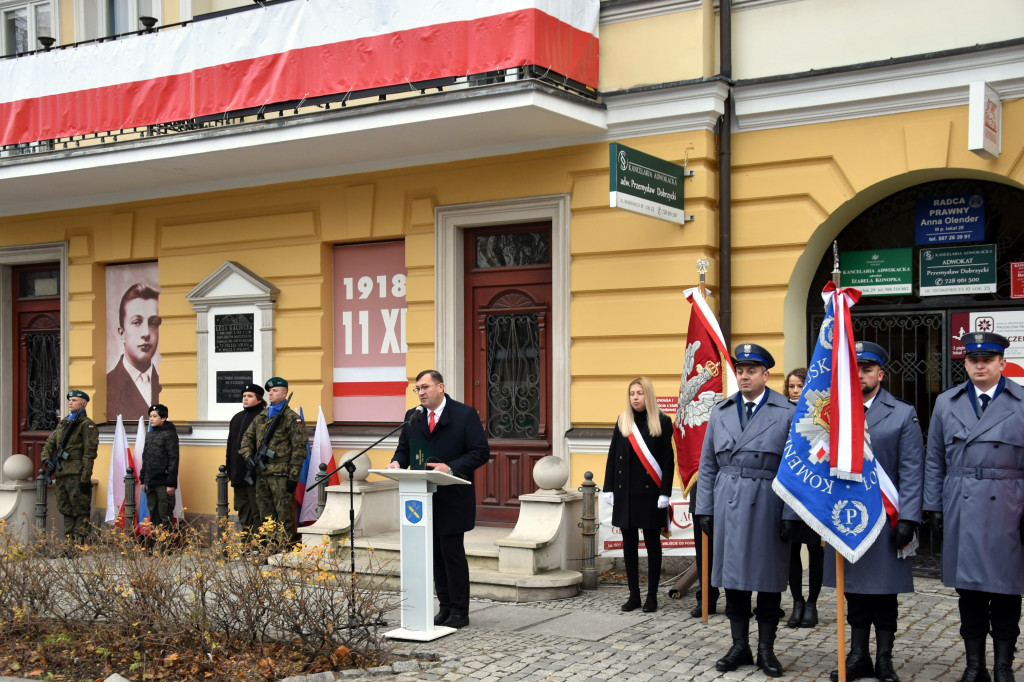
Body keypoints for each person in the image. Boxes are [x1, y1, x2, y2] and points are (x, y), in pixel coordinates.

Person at [924, 332, 1024, 682]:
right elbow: (934, 458)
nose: (979, 365)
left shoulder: (1021, 401)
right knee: (970, 591)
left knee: (1008, 589)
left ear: (1001, 363)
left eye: (987, 360)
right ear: (965, 364)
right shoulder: (946, 403)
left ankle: (1003, 667)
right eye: (973, 360)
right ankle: (974, 666)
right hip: (961, 504)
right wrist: (933, 505)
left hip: (1009, 505)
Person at [824, 342, 924, 682]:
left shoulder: (900, 412)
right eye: (855, 369)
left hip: (885, 518)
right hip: (845, 516)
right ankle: (856, 656)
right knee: (852, 590)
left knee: (884, 592)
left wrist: (909, 517)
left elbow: (912, 469)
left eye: (867, 369)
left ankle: (883, 658)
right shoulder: (831, 411)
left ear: (881, 374)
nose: (861, 375)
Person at [695, 344, 795, 678]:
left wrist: (791, 514)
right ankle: (740, 645)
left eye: (751, 370)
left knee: (768, 578)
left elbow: (796, 467)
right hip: (728, 501)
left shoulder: (786, 411)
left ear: (766, 375)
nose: (744, 376)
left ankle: (766, 649)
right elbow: (708, 464)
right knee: (733, 579)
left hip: (769, 499)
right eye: (740, 370)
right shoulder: (721, 411)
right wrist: (704, 507)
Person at [387, 370, 489, 629]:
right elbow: (404, 449)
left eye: (425, 387)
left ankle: (460, 611)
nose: (420, 392)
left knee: (451, 554)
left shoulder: (465, 414)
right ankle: (444, 608)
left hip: (453, 496)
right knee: (434, 556)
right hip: (422, 500)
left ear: (441, 387)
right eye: (417, 389)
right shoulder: (413, 417)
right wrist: (398, 462)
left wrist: (450, 467)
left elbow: (480, 452)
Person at [603, 377, 675, 613]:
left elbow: (667, 460)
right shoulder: (623, 420)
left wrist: (665, 492)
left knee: (653, 545)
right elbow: (613, 455)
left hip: (651, 495)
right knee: (629, 545)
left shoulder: (662, 421)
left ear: (649, 395)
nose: (635, 397)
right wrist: (608, 487)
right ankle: (633, 595)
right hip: (625, 494)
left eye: (640, 393)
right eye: (632, 393)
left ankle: (651, 596)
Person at [781, 367, 823, 629]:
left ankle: (812, 604)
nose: (795, 391)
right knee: (791, 551)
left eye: (800, 386)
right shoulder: (780, 412)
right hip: (788, 492)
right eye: (791, 386)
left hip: (814, 493)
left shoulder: (819, 412)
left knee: (815, 552)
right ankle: (796, 601)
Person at [239, 377, 306, 536]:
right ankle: (269, 549)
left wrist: (293, 477)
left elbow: (299, 448)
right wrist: (249, 457)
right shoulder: (262, 416)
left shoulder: (291, 418)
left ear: (284, 394)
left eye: (275, 390)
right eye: (269, 390)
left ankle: (283, 551)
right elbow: (247, 438)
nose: (270, 393)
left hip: (281, 475)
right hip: (262, 474)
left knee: (283, 516)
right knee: (265, 516)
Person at [40, 390, 98, 543]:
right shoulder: (64, 423)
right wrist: (46, 460)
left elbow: (89, 453)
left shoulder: (87, 425)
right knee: (65, 509)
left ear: (84, 403)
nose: (70, 402)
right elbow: (49, 444)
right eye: (69, 400)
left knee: (80, 510)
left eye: (74, 400)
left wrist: (85, 478)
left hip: (77, 474)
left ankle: (79, 545)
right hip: (61, 474)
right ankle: (68, 544)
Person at [107, 283, 161, 420]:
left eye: (153, 323)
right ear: (122, 333)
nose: (146, 333)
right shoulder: (107, 386)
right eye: (137, 322)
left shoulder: (167, 384)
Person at [226, 383, 266, 541]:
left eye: (250, 396)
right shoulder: (237, 417)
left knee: (257, 510)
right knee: (243, 509)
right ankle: (245, 542)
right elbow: (230, 445)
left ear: (259, 398)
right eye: (244, 396)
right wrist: (230, 469)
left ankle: (258, 544)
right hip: (238, 472)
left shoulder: (263, 416)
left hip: (255, 472)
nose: (246, 399)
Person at [139, 403, 179, 533]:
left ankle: (165, 546)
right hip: (151, 481)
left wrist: (171, 483)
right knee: (154, 514)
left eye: (155, 416)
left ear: (163, 418)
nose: (151, 419)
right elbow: (145, 457)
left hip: (163, 482)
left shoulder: (169, 434)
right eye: (150, 416)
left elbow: (173, 459)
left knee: (165, 514)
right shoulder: (150, 435)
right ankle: (157, 544)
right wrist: (143, 479)